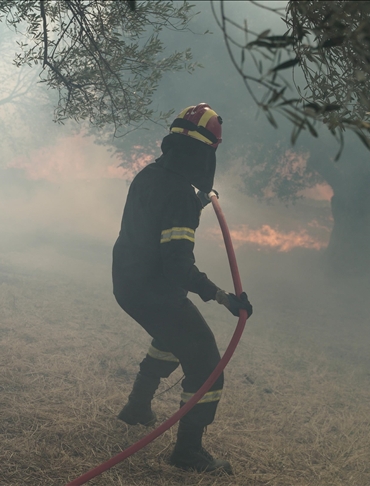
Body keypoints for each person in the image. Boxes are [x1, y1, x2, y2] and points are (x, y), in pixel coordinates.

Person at [111, 103, 253, 475]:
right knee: (207, 364)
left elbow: (159, 219)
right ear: (207, 153)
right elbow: (177, 265)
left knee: (174, 333)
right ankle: (188, 453)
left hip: (128, 283)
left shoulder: (151, 174)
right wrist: (222, 296)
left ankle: (137, 407)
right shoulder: (178, 194)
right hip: (154, 289)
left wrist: (195, 205)